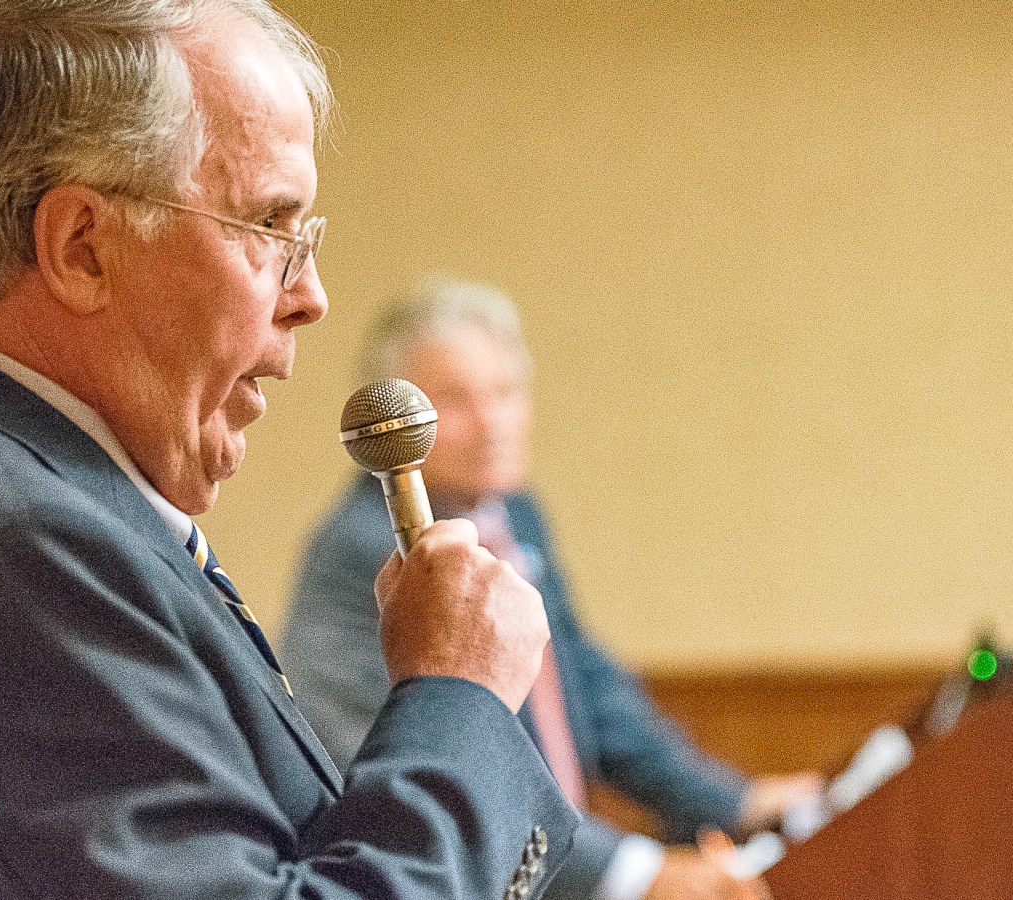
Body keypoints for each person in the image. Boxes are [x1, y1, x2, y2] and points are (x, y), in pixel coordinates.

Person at [0, 5, 585, 898]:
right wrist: (461, 696)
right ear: (83, 248)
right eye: (269, 226)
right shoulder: (15, 545)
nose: (311, 296)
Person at [281, 279, 823, 900]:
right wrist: (638, 876)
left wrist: (736, 801)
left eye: (505, 393)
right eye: (455, 402)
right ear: (397, 427)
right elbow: (422, 773)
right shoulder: (362, 550)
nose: (492, 424)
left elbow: (586, 689)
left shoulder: (516, 516)